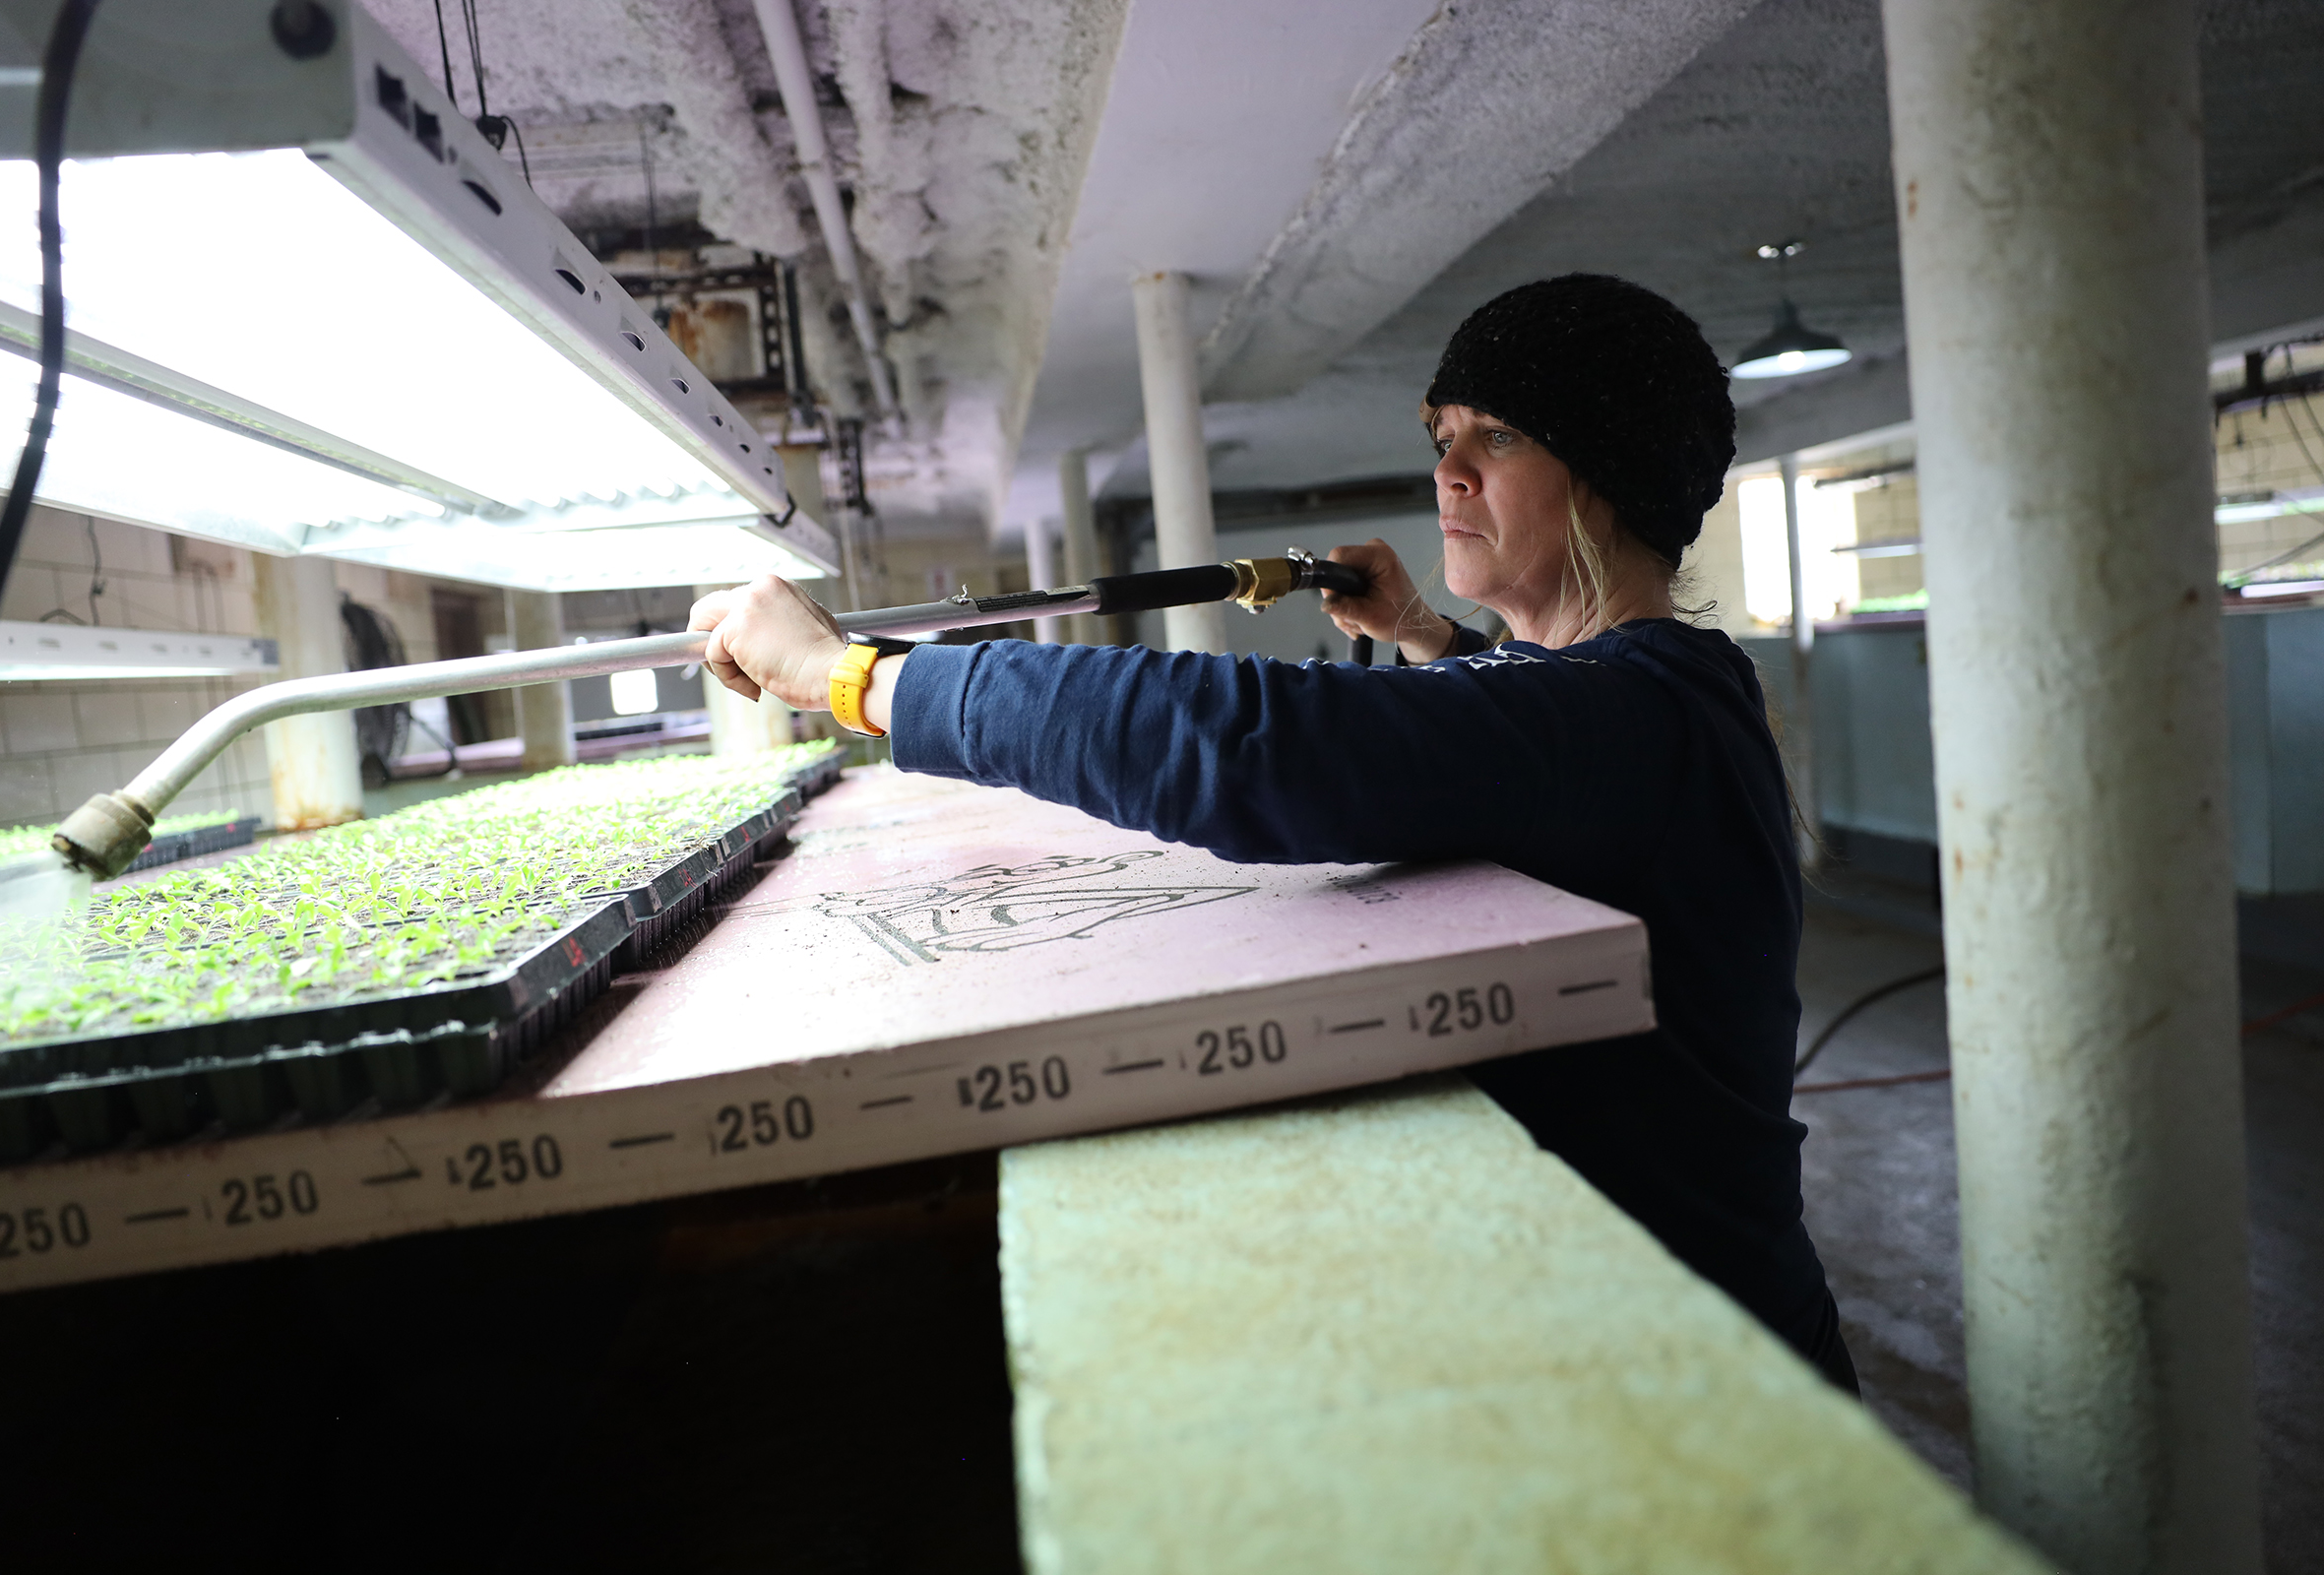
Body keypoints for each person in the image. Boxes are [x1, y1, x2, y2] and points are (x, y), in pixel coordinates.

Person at [691, 273, 1858, 1393]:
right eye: (1441, 435)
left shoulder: (1640, 712)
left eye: (1495, 437)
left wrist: (854, 679)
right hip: (1621, 1308)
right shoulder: (1608, 699)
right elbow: (1516, 733)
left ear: (1611, 472)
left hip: (1695, 1354)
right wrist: (1421, 636)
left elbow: (1254, 746)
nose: (1447, 473)